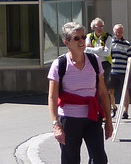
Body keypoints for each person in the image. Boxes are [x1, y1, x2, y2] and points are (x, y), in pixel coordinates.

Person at [48, 21, 113, 164]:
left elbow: (102, 93)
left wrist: (109, 120)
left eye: (83, 37)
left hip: (92, 118)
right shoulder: (59, 64)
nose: (82, 41)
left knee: (100, 159)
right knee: (70, 160)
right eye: (76, 38)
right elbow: (52, 97)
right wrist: (56, 124)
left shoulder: (94, 61)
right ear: (67, 42)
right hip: (69, 120)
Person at [108, 23, 131, 119]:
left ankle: (125, 111)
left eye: (120, 31)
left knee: (125, 91)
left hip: (124, 72)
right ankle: (114, 107)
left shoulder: (127, 44)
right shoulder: (110, 43)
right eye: (117, 31)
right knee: (110, 91)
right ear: (114, 31)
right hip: (112, 71)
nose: (118, 33)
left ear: (122, 32)